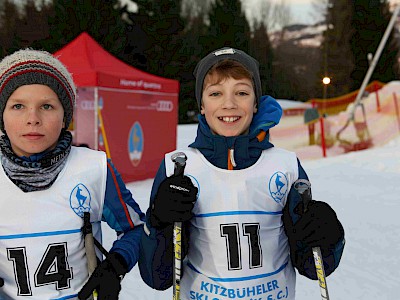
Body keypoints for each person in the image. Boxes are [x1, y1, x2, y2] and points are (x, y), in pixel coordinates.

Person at [139, 47, 345, 300]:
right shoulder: (178, 167)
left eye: (242, 92)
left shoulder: (285, 165)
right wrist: (158, 223)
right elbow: (156, 277)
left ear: (256, 102)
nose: (229, 104)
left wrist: (328, 237)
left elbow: (313, 267)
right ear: (202, 105)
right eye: (215, 93)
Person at [0, 49, 145, 299]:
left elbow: (136, 229)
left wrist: (115, 266)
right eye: (18, 106)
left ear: (65, 115)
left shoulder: (94, 168)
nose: (32, 118)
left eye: (47, 106)